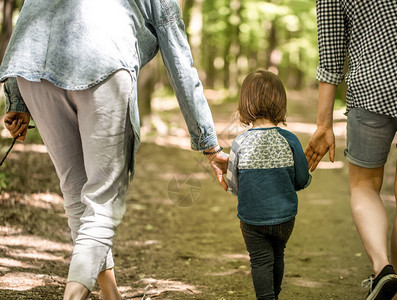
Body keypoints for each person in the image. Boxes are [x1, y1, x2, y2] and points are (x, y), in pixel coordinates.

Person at [0, 0, 228, 299]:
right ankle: (73, 296)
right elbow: (181, 64)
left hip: (33, 66)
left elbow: (31, 10)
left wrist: (16, 100)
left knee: (75, 190)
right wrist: (209, 145)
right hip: (102, 57)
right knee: (103, 200)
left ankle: (110, 293)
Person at [306, 1, 397, 299]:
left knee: (364, 187)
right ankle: (393, 295)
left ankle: (383, 268)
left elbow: (331, 59)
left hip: (372, 88)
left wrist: (323, 125)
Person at [226, 70, 311, 300]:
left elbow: (232, 184)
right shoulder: (290, 139)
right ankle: (275, 294)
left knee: (260, 260)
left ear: (245, 104)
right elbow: (302, 179)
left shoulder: (240, 143)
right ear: (280, 102)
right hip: (284, 218)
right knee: (278, 253)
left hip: (252, 219)